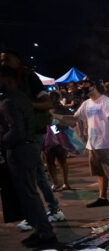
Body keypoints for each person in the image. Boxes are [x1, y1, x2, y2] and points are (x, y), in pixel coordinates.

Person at [0, 49, 64, 226]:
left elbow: (47, 103)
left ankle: (40, 217)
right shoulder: (11, 83)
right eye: (1, 60)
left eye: (7, 59)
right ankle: (46, 212)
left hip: (31, 133)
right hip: (23, 135)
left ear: (17, 60)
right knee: (36, 175)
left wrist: (25, 105)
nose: (3, 63)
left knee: (31, 178)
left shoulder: (29, 78)